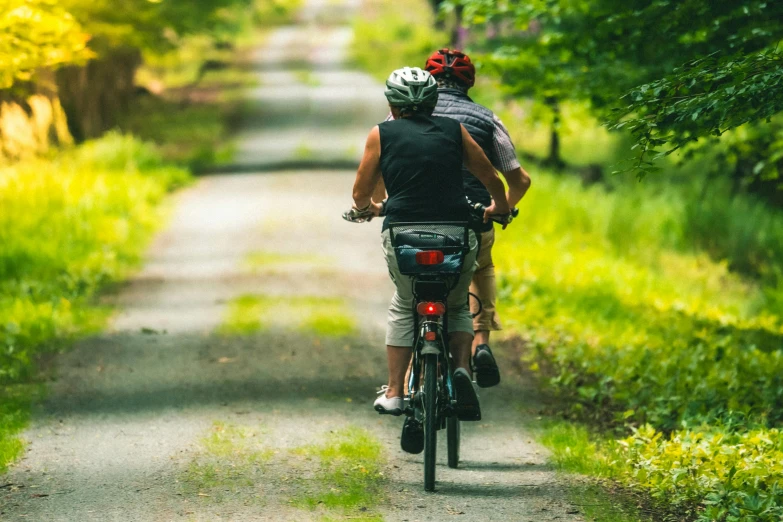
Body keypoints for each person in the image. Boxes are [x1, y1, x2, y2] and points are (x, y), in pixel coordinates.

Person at [350, 66, 510, 419]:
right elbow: (489, 176)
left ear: (392, 102)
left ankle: (394, 392)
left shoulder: (381, 134)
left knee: (405, 304)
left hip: (404, 234)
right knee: (455, 306)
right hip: (456, 231)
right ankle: (462, 371)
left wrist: (367, 209)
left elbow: (361, 192)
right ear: (433, 101)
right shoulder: (455, 130)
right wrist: (499, 205)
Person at [419, 49, 533, 387]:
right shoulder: (487, 119)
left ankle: (413, 367)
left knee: (414, 283)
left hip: (418, 221)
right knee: (480, 267)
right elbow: (520, 180)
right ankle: (481, 343)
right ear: (469, 81)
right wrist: (501, 208)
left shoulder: (406, 116)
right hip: (471, 220)